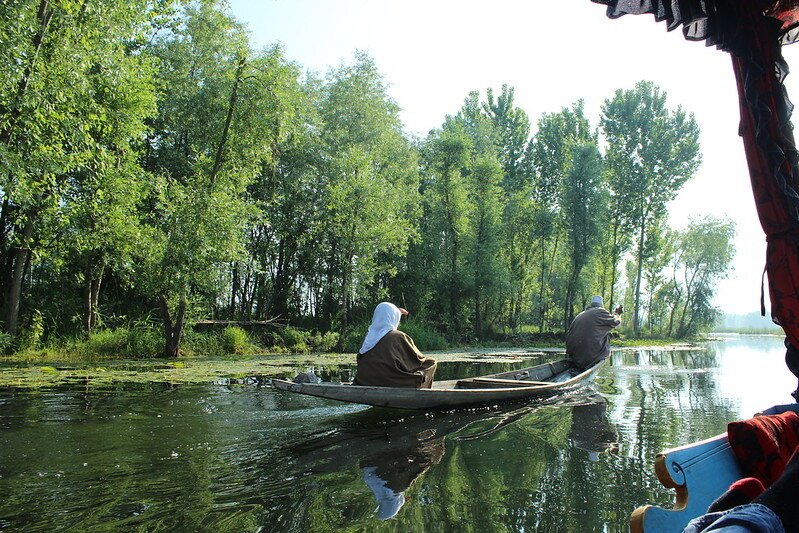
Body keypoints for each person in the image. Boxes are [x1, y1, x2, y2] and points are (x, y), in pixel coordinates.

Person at [353, 302, 437, 388]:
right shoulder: (397, 336)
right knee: (431, 362)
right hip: (392, 383)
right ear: (393, 318)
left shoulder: (368, 338)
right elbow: (418, 360)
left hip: (364, 382)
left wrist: (396, 311)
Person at [565, 295, 622, 370]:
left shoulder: (581, 314)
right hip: (588, 356)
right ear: (601, 305)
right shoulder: (600, 311)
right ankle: (593, 361)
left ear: (591, 305)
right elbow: (616, 323)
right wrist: (617, 313)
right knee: (606, 336)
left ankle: (578, 362)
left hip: (573, 355)